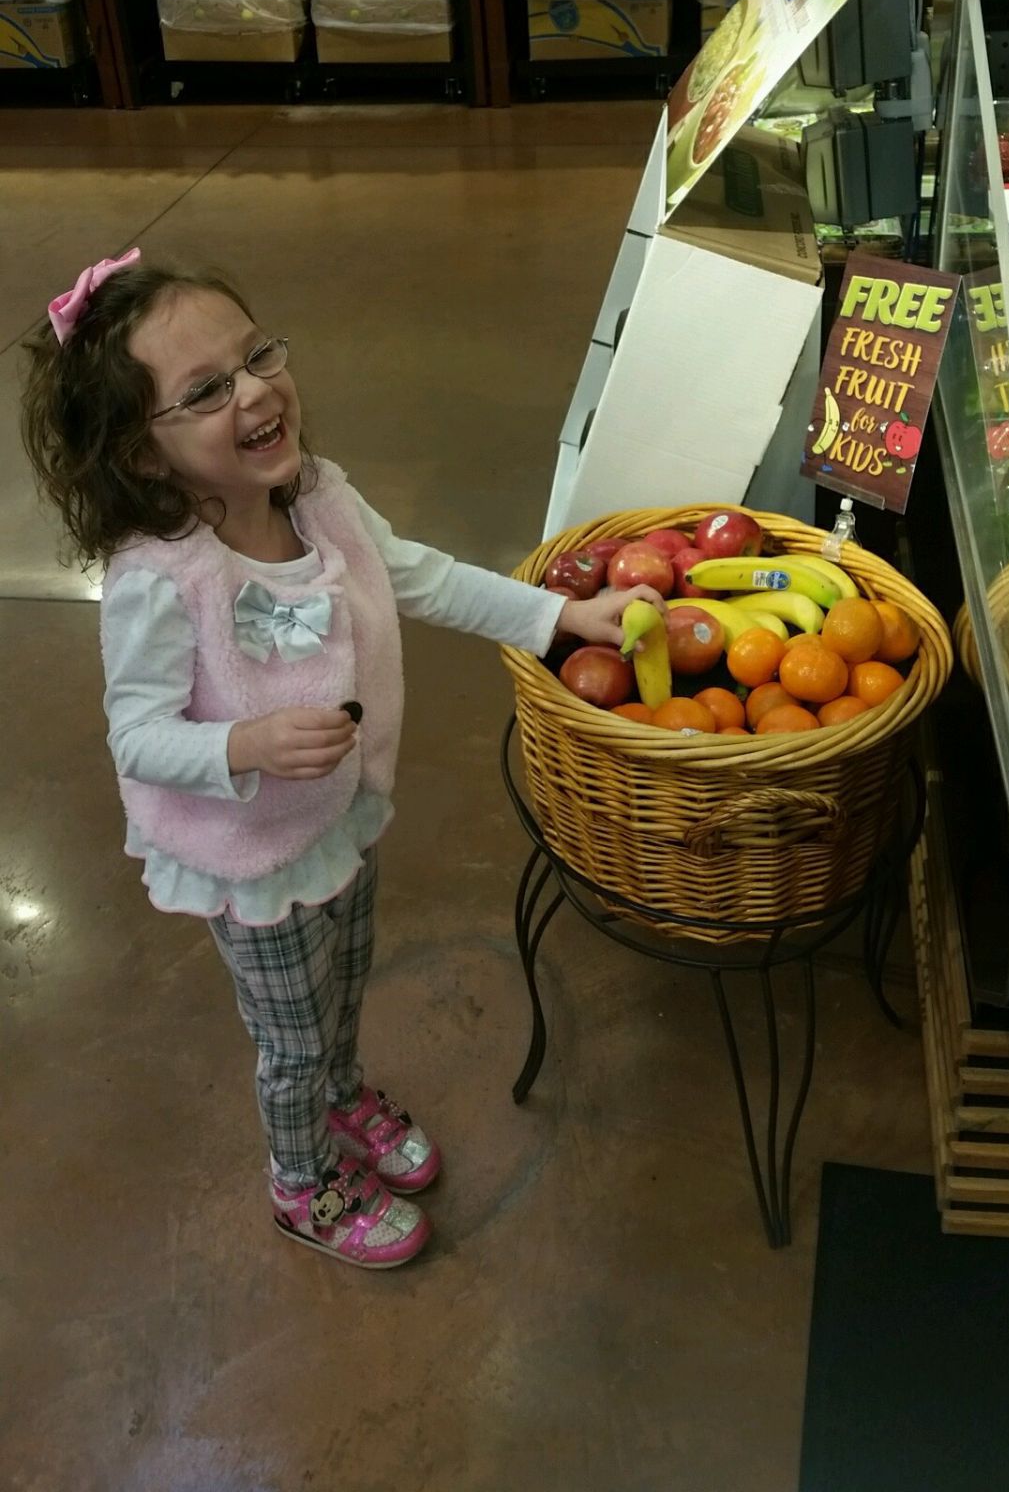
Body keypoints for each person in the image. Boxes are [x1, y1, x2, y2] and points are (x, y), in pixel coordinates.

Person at [21, 252, 660, 1271]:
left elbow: (424, 577)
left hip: (336, 821)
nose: (257, 391)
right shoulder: (163, 580)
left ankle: (341, 1094)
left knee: (348, 979)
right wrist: (245, 743)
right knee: (289, 1037)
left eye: (256, 356)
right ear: (142, 458)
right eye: (205, 391)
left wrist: (559, 617)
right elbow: (136, 735)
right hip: (254, 860)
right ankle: (301, 1182)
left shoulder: (320, 501)